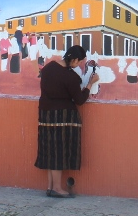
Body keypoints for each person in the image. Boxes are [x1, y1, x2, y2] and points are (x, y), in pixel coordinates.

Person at [35, 44, 99, 198]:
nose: (80, 64)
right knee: (58, 152)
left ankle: (50, 186)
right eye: (80, 61)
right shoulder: (70, 77)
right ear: (74, 59)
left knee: (50, 151)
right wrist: (90, 84)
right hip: (62, 117)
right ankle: (57, 188)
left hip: (45, 114)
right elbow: (79, 100)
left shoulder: (49, 68)